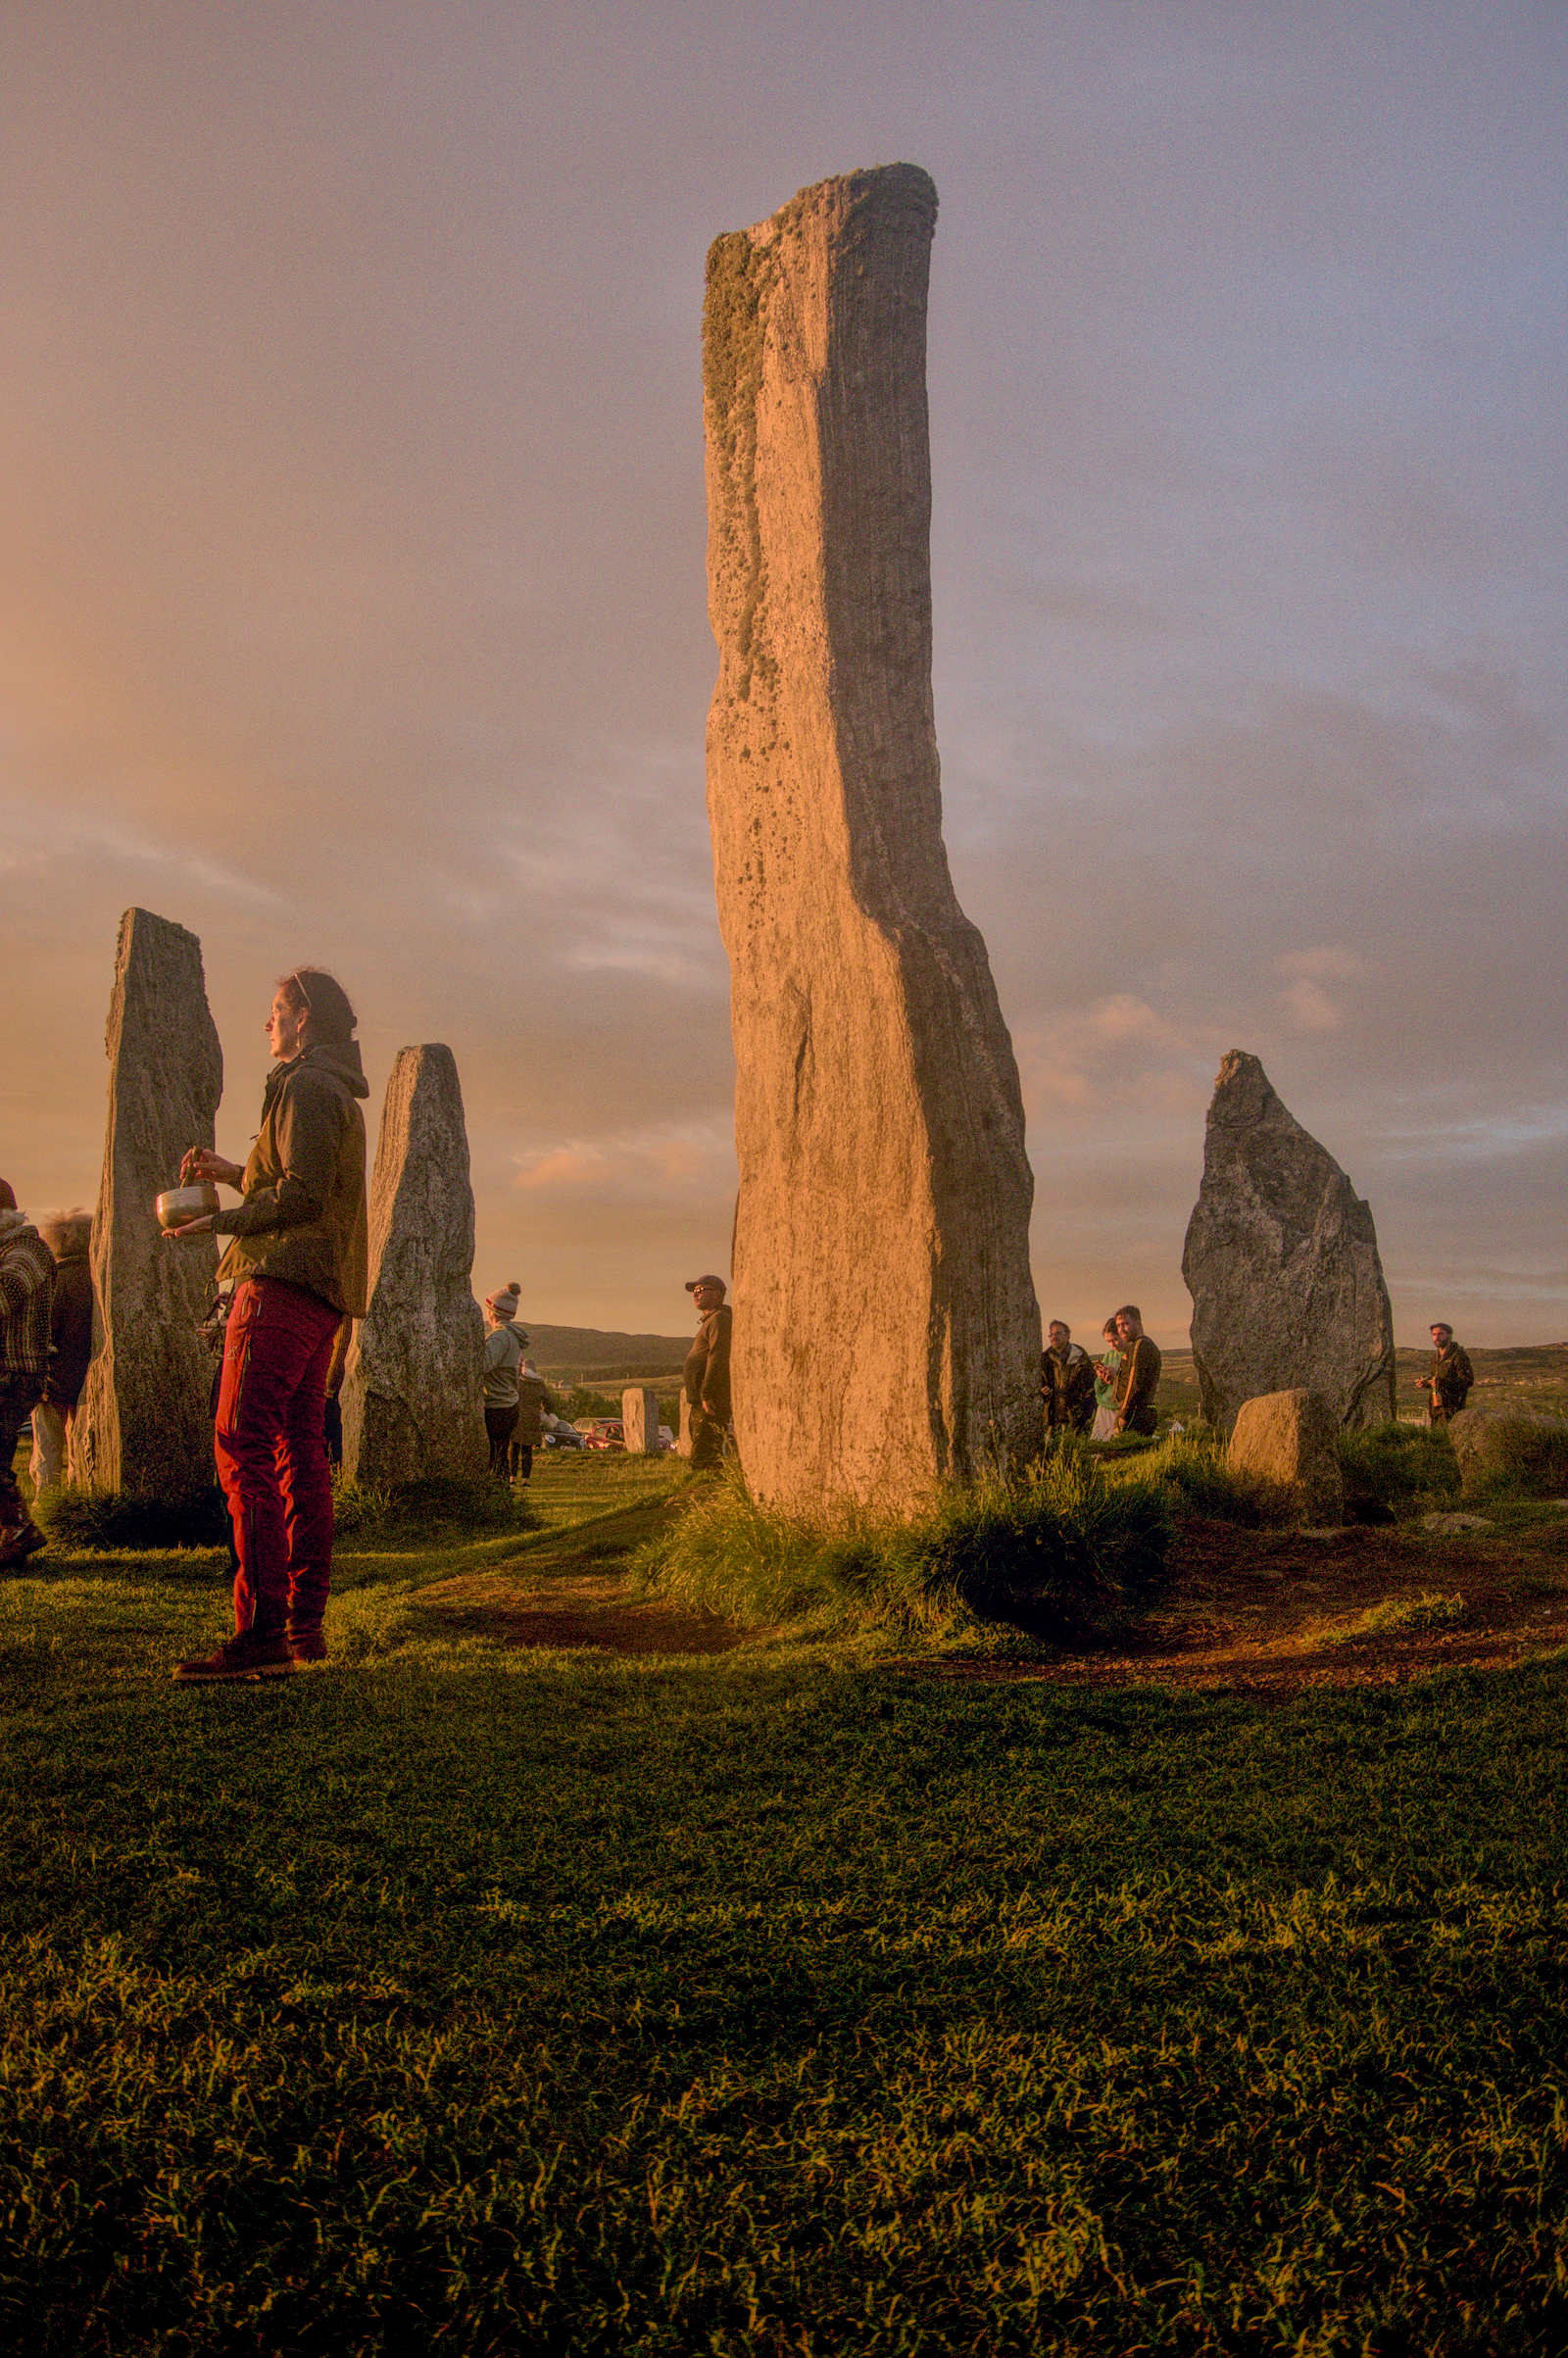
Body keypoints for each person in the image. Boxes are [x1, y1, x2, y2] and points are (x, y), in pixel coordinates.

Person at [163, 967, 368, 1680]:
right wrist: (233, 1174)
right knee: (298, 1449)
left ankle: (260, 1635)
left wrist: (217, 1220)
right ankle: (303, 1623)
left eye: (277, 1010)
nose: (268, 1023)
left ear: (306, 1016)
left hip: (282, 1279)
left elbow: (302, 1196)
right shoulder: (332, 1087)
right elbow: (299, 1180)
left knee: (241, 1445)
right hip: (325, 1289)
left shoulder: (307, 1086)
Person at [0, 1178, 56, 1570]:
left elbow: (3, 1296)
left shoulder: (26, 1251)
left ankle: (18, 1532)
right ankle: (16, 1533)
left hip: (15, 1371)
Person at [28, 1207, 94, 1496]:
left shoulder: (51, 1281)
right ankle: (78, 1500)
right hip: (86, 1379)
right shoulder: (98, 1281)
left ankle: (47, 1506)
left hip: (51, 1380)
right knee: (79, 1449)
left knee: (47, 1451)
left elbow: (41, 1333)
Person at [683, 1273, 732, 1471]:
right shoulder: (710, 1320)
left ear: (717, 1294)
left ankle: (703, 1493)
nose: (696, 1294)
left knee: (704, 1456)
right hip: (702, 1400)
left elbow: (718, 1356)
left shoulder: (719, 1319)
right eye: (694, 1291)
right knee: (701, 1450)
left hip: (710, 1400)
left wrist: (707, 1392)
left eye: (701, 1290)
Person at [481, 1282, 527, 1480]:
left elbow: (484, 1363)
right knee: (500, 1456)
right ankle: (502, 1496)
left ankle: (498, 1497)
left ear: (493, 1311)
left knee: (495, 1457)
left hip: (496, 1406)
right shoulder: (512, 1336)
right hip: (508, 1404)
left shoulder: (500, 1337)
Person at [1111, 1303, 1162, 1438]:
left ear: (1138, 1323)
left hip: (1135, 1413)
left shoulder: (1140, 1346)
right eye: (1118, 1325)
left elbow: (1135, 1382)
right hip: (1138, 1411)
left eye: (1125, 1324)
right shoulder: (1139, 1346)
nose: (1121, 1329)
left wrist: (1124, 1413)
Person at [1042, 1319, 1096, 1435]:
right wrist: (1043, 1391)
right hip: (1053, 1416)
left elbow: (1091, 1385)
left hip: (1078, 1415)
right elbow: (1039, 1383)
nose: (1054, 1337)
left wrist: (1085, 1409)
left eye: (1058, 1333)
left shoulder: (1080, 1356)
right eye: (1051, 1334)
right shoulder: (1045, 1359)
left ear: (1068, 1336)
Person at [1419, 1323, 1474, 1426]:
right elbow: (1437, 1379)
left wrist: (1440, 1383)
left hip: (1453, 1408)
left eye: (1440, 1334)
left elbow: (1468, 1381)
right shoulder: (1435, 1358)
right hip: (1436, 1409)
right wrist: (1427, 1382)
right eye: (1434, 1334)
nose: (1437, 1337)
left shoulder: (1458, 1356)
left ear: (1449, 1335)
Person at [514, 1347, 545, 1485]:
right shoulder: (539, 1384)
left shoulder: (518, 1382)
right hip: (532, 1420)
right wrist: (549, 1415)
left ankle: (512, 1478)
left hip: (517, 1418)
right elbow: (548, 1400)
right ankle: (525, 1480)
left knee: (514, 1449)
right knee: (527, 1451)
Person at [1090, 1317, 1122, 1443]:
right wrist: (1101, 1378)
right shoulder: (1110, 1355)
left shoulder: (1130, 1354)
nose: (1112, 1345)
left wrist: (1116, 1375)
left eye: (1115, 1339)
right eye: (1109, 1341)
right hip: (1104, 1407)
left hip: (1119, 1409)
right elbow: (1098, 1389)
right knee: (1098, 1446)